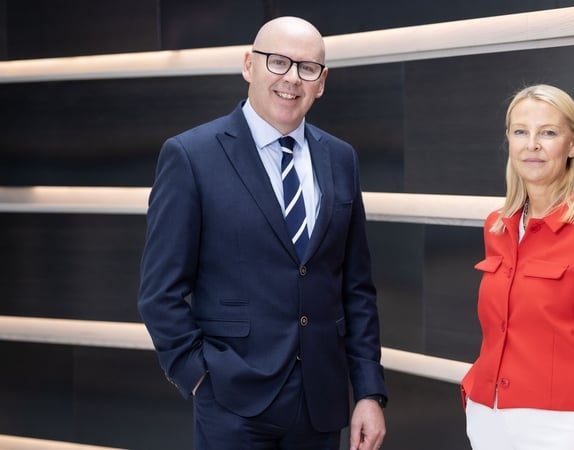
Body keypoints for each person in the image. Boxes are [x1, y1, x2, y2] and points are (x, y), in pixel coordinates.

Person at [137, 16, 387, 450]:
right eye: (278, 63)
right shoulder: (190, 156)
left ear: (322, 82)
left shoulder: (341, 159)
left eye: (307, 68)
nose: (292, 78)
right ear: (249, 65)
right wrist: (198, 376)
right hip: (231, 403)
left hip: (320, 402)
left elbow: (356, 288)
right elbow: (158, 292)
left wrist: (368, 391)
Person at [460, 84, 574, 450]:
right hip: (486, 420)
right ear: (509, 140)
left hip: (559, 429)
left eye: (548, 133)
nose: (532, 145)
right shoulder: (498, 223)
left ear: (573, 144)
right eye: (521, 132)